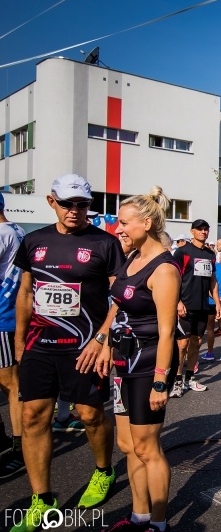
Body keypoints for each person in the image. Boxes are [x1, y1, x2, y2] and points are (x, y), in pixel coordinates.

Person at [12, 174, 125, 530]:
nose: (75, 211)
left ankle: (103, 471)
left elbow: (121, 296)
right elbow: (26, 292)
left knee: (90, 416)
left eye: (82, 204)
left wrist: (103, 338)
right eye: (67, 203)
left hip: (85, 347)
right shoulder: (33, 241)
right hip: (38, 344)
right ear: (52, 202)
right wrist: (19, 339)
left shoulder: (104, 243)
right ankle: (41, 499)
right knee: (32, 417)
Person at [95, 188, 180, 532]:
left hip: (149, 363)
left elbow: (167, 332)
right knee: (127, 445)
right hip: (123, 361)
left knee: (147, 448)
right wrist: (103, 341)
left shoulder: (164, 269)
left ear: (146, 223)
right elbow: (119, 303)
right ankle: (139, 516)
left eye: (124, 222)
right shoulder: (131, 258)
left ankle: (158, 525)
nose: (118, 228)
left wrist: (161, 381)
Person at [170, 219, 221, 398]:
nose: (203, 232)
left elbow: (212, 281)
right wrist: (177, 302)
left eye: (206, 229)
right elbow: (173, 279)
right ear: (192, 232)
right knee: (181, 344)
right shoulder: (182, 252)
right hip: (185, 305)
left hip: (202, 305)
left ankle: (189, 378)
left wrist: (216, 301)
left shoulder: (210, 254)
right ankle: (176, 381)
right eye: (199, 229)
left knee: (196, 342)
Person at [0, 193, 26, 479]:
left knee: (10, 384)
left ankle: (19, 446)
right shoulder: (16, 229)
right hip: (8, 313)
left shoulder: (3, 232)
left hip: (3, 316)